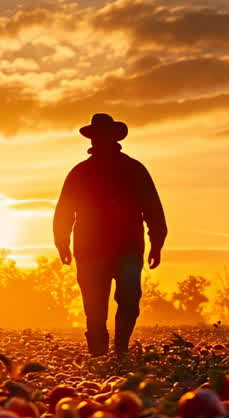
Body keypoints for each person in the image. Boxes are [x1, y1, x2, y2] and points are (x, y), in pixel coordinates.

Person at [54, 113, 167, 357]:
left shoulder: (133, 169)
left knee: (128, 301)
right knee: (95, 305)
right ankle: (99, 353)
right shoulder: (81, 173)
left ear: (113, 138)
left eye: (103, 137)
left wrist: (157, 242)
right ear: (92, 140)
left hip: (125, 249)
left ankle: (120, 349)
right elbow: (64, 211)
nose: (99, 142)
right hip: (94, 250)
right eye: (97, 137)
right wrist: (61, 243)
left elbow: (152, 209)